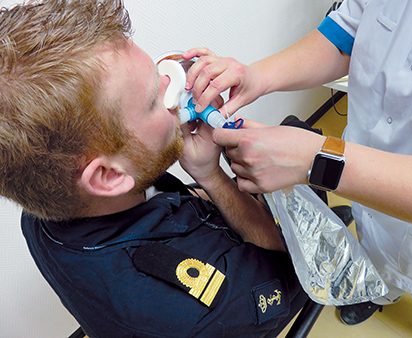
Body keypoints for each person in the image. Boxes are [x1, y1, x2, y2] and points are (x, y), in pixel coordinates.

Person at [0, 1, 309, 337]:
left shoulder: (44, 211)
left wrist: (203, 171)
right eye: (152, 100)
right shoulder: (205, 310)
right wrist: (213, 178)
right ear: (109, 176)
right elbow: (289, 269)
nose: (170, 83)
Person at [182, 0, 412, 336]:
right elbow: (349, 31)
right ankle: (377, 289)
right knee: (373, 265)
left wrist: (318, 161)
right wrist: (257, 76)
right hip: (367, 205)